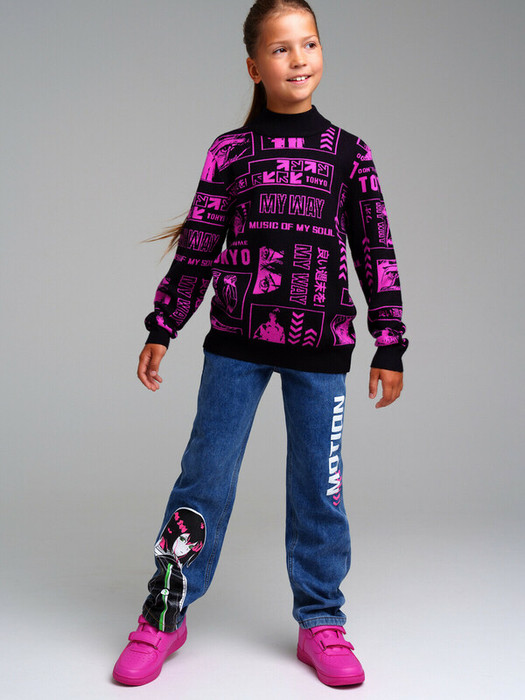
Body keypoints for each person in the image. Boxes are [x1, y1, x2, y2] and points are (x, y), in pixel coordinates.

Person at [113, 0, 408, 688]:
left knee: (319, 490)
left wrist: (389, 342)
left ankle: (321, 620)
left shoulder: (349, 154)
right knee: (204, 478)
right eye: (280, 49)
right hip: (235, 347)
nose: (298, 59)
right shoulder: (230, 152)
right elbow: (200, 245)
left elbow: (376, 251)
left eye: (308, 43)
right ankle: (165, 612)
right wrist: (163, 325)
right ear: (254, 67)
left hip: (322, 350)